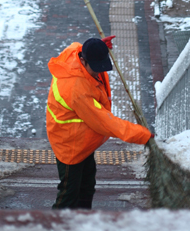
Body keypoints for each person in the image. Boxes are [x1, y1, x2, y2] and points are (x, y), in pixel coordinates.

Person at [46, 36, 152, 209]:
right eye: (95, 68)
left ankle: (83, 220)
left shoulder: (75, 52)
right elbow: (105, 122)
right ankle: (56, 228)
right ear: (83, 61)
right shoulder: (77, 90)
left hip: (83, 139)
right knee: (69, 193)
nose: (98, 72)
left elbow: (82, 46)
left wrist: (100, 46)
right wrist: (141, 135)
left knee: (87, 186)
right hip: (70, 144)